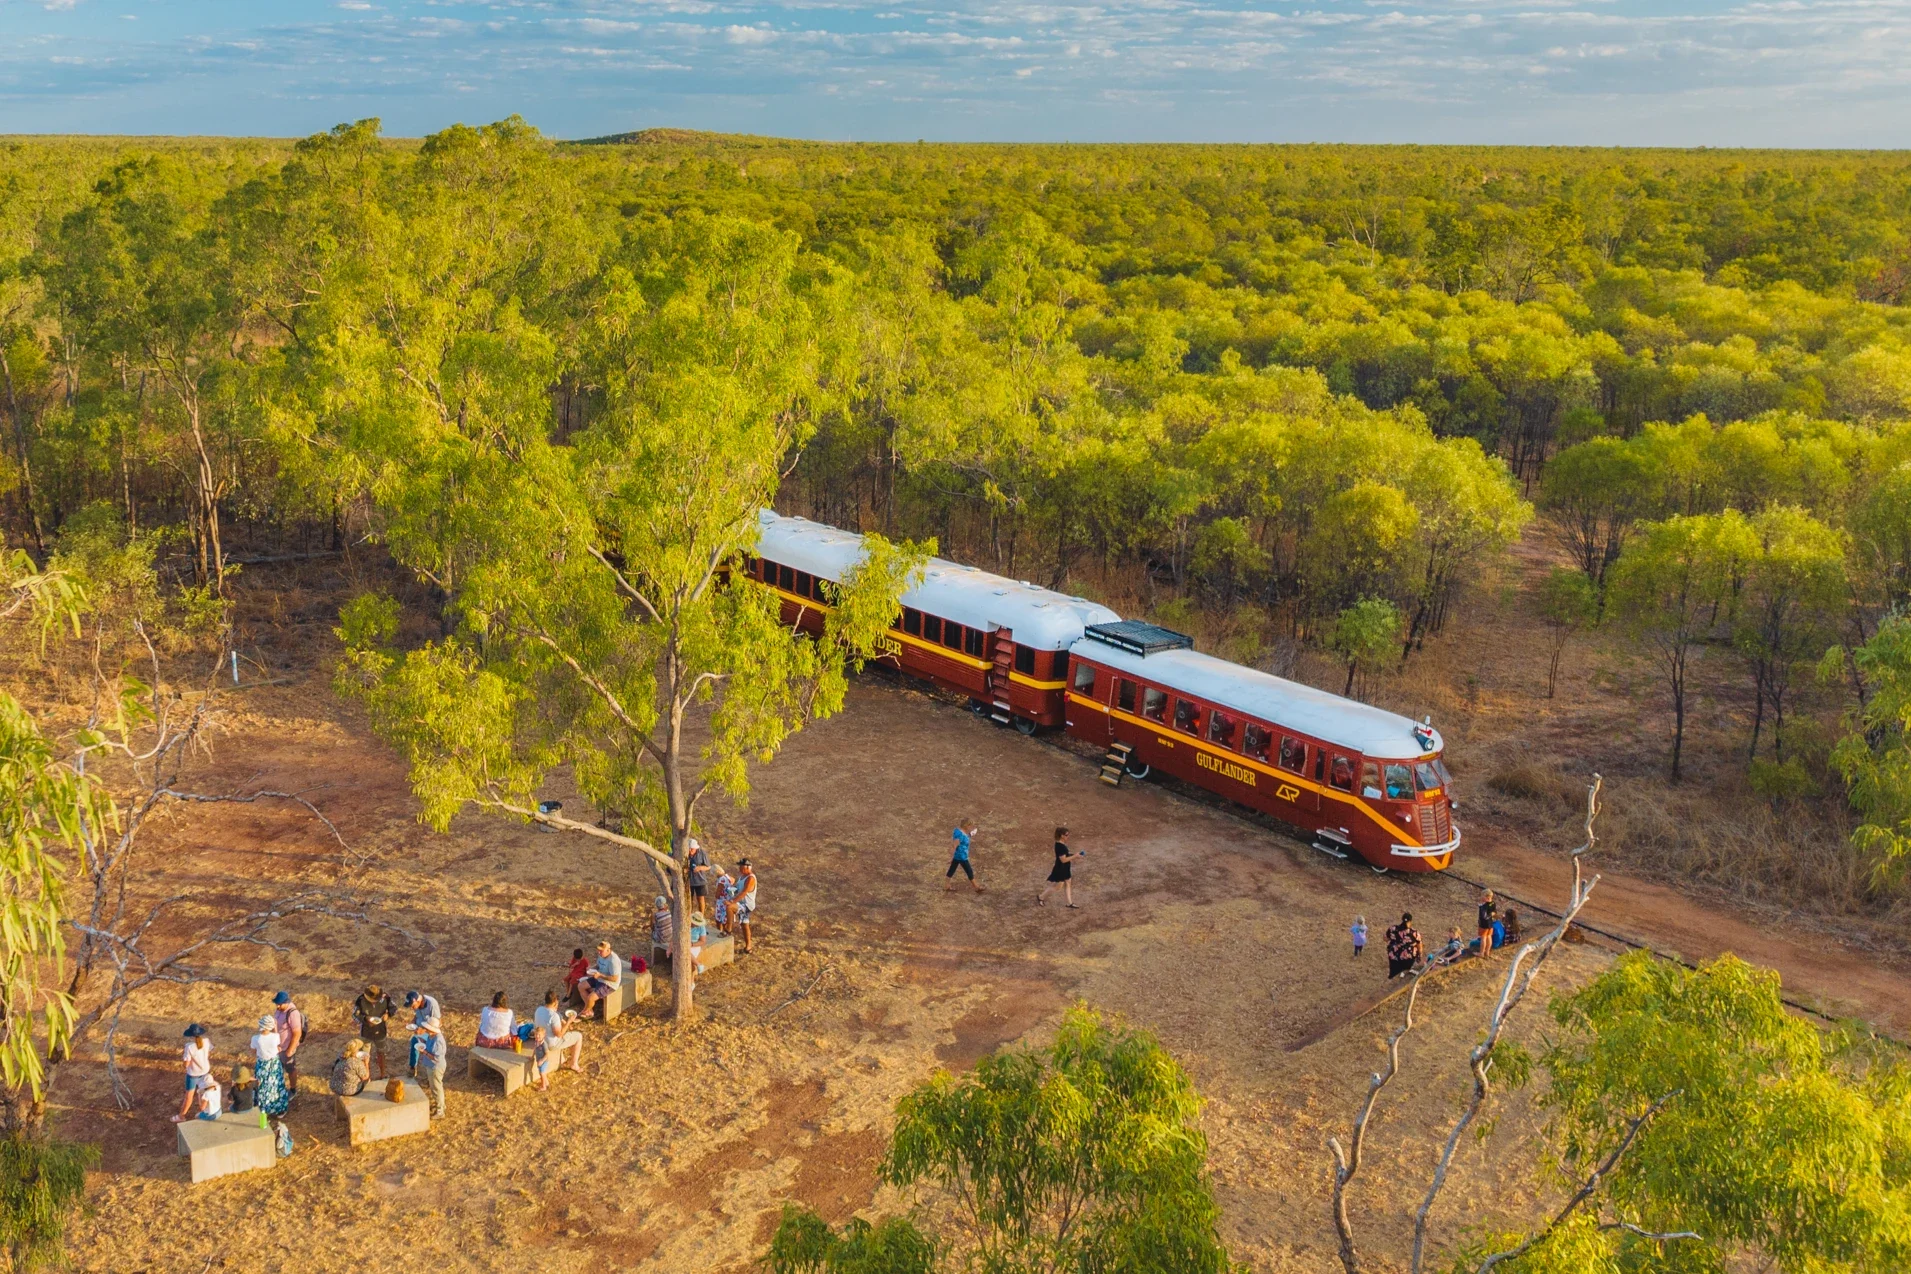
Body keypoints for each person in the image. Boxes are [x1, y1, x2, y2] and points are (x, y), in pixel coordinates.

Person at [404, 989, 447, 1118]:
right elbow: (417, 1016)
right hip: (430, 1063)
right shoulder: (432, 1037)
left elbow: (437, 1058)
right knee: (414, 1042)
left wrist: (425, 1052)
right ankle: (440, 1105)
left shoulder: (437, 1041)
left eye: (413, 1006)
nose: (412, 1008)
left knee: (436, 1087)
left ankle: (440, 1110)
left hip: (435, 1066)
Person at [352, 983, 398, 1080]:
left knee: (381, 1053)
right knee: (364, 1056)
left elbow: (394, 1008)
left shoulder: (385, 998)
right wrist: (365, 1019)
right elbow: (355, 1015)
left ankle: (382, 1074)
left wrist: (388, 1015)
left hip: (380, 1031)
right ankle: (366, 1077)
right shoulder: (360, 1000)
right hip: (366, 1032)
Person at [249, 1015, 292, 1118]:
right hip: (274, 1064)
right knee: (276, 1085)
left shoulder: (255, 1039)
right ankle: (279, 1109)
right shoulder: (275, 1037)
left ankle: (263, 1108)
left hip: (262, 1064)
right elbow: (277, 1042)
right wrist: (275, 1027)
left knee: (262, 1086)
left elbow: (253, 1051)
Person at [534, 990, 585, 1072]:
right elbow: (559, 1034)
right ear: (555, 1003)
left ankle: (564, 1058)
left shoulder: (539, 1009)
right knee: (578, 1036)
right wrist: (568, 1022)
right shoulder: (554, 1016)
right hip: (550, 1044)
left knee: (567, 1035)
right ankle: (574, 1064)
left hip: (540, 1039)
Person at [575, 939, 622, 1017]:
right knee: (580, 986)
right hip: (599, 977)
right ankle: (589, 1010)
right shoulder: (601, 955)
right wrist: (591, 968)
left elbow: (614, 979)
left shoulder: (613, 961)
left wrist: (600, 975)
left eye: (601, 951)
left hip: (609, 984)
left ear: (608, 950)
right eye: (598, 950)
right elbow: (598, 965)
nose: (599, 952)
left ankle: (585, 1011)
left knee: (590, 998)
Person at [1037, 827, 1082, 908]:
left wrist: (1074, 855)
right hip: (1061, 869)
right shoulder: (1061, 847)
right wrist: (1075, 856)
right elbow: (1063, 860)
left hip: (1064, 868)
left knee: (1068, 883)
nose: (1068, 836)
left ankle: (1069, 903)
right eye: (1067, 835)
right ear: (1062, 836)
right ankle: (1041, 897)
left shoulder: (1060, 844)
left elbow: (1065, 855)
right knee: (1057, 887)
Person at [176, 1023, 212, 1122]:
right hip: (205, 1071)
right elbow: (208, 1053)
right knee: (204, 1094)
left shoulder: (189, 1047)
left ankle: (181, 1115)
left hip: (193, 1074)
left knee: (189, 1096)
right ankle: (205, 1113)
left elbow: (186, 1064)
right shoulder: (206, 1041)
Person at [272, 990, 305, 1089]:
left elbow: (297, 1033)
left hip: (286, 1048)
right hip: (278, 1047)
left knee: (290, 1069)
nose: (277, 1006)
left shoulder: (293, 1014)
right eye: (277, 1004)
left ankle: (293, 1088)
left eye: (280, 1004)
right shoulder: (279, 1009)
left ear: (286, 1003)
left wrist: (290, 1050)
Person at [945, 819, 982, 892]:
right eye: (970, 826)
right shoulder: (960, 835)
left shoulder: (959, 832)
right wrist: (951, 858)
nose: (971, 827)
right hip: (961, 857)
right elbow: (954, 846)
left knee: (952, 870)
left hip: (958, 855)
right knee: (969, 871)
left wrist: (971, 834)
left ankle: (947, 886)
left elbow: (965, 836)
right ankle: (976, 887)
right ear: (966, 826)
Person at [1385, 913, 1422, 978]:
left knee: (1394, 973)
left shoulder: (1392, 929)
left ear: (1402, 919)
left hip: (1394, 956)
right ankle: (1406, 972)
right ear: (1410, 921)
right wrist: (1420, 955)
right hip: (1408, 958)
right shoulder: (1414, 933)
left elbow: (1386, 938)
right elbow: (1419, 945)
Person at [734, 858, 758, 954]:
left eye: (741, 866)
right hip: (741, 903)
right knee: (744, 924)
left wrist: (733, 901)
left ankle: (728, 930)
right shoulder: (742, 876)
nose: (739, 868)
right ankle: (748, 946)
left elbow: (744, 892)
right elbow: (738, 888)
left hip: (746, 905)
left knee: (730, 908)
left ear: (747, 867)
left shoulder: (751, 878)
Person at [686, 836, 712, 909]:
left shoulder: (702, 853)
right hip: (689, 880)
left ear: (696, 848)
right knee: (688, 900)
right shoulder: (685, 853)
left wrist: (700, 868)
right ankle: (689, 914)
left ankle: (701, 914)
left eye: (692, 849)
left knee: (700, 899)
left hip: (700, 880)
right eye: (689, 848)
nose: (690, 850)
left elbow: (708, 866)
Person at [1477, 890, 1499, 959]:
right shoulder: (1493, 903)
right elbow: (1495, 912)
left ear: (1487, 897)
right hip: (1490, 923)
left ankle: (1481, 953)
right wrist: (1491, 914)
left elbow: (1484, 916)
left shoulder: (1484, 906)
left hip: (1484, 924)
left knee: (1483, 938)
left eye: (1482, 896)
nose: (1481, 897)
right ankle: (1487, 952)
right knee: (1489, 936)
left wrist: (1480, 906)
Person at [713, 870, 736, 934]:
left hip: (722, 901)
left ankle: (721, 932)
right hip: (729, 899)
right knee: (727, 918)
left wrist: (716, 896)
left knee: (720, 920)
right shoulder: (728, 877)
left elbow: (718, 894)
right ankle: (726, 932)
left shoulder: (721, 880)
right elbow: (733, 880)